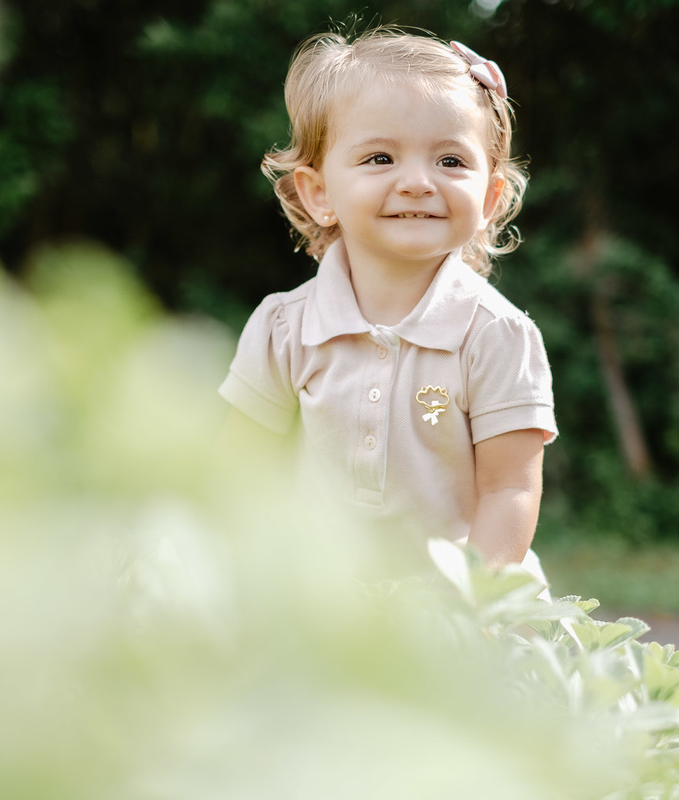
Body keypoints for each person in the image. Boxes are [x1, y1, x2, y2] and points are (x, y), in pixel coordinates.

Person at [219, 27, 557, 588]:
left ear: (489, 199)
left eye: (451, 161)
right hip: (328, 605)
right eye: (380, 157)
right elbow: (237, 472)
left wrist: (472, 607)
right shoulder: (285, 327)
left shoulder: (497, 335)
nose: (418, 183)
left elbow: (509, 489)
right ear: (318, 193)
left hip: (462, 608)